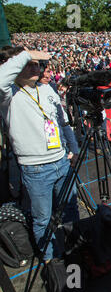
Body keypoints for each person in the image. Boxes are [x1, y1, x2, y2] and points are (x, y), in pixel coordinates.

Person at [0, 47, 79, 262]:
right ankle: (51, 260)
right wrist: (25, 54)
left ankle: (74, 251)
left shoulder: (47, 89)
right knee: (43, 218)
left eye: (37, 63)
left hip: (61, 161)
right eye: (29, 63)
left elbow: (62, 122)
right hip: (35, 169)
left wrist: (73, 148)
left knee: (71, 208)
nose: (36, 66)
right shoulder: (8, 95)